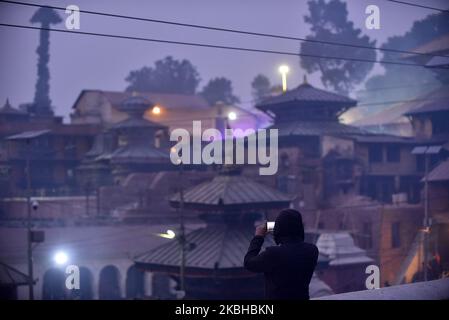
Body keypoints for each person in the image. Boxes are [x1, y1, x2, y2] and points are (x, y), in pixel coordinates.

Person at [244, 208, 318, 300]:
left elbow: (248, 263)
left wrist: (258, 237)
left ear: (279, 229)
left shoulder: (274, 254)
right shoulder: (312, 250)